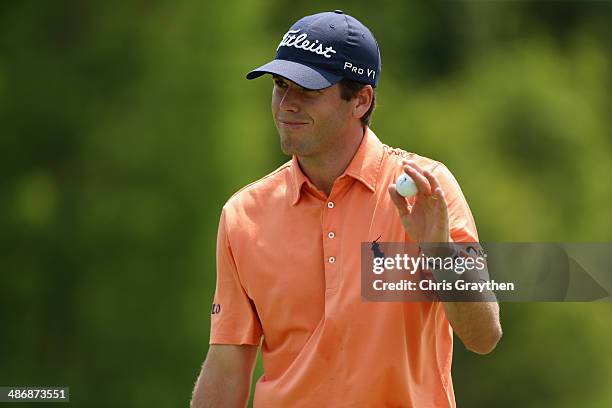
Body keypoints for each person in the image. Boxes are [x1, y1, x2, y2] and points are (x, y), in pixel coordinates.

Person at [191, 10, 502, 408]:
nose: (286, 103)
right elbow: (226, 368)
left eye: (307, 89)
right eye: (280, 85)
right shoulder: (242, 215)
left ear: (361, 100)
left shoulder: (426, 190)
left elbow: (483, 336)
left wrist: (438, 249)